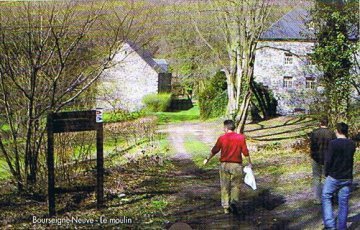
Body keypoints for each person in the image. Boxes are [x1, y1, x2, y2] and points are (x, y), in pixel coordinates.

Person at [204, 120, 252, 214]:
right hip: (236, 165)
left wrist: (207, 159)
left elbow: (215, 150)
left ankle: (226, 207)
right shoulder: (240, 138)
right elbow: (245, 151)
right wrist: (249, 162)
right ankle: (234, 202)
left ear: (226, 128)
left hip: (224, 165)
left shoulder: (222, 138)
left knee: (225, 186)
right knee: (236, 185)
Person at [322, 122, 356, 230]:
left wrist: (326, 173)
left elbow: (328, 160)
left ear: (337, 131)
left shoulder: (333, 144)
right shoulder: (352, 144)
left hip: (334, 176)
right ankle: (342, 227)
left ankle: (330, 225)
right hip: (347, 177)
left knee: (326, 196)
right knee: (343, 203)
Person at [310, 117, 336, 204]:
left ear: (320, 123)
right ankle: (327, 197)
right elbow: (334, 147)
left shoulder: (314, 133)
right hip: (328, 158)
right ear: (327, 123)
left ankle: (318, 199)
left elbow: (312, 147)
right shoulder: (332, 133)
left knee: (317, 178)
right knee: (327, 178)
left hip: (316, 158)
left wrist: (313, 156)